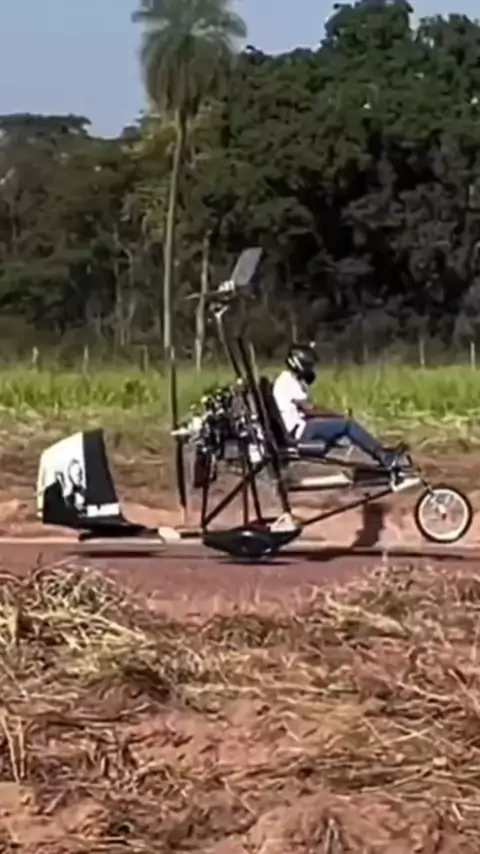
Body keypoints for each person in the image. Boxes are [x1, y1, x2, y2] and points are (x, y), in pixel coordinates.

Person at [272, 344, 405, 470]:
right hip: (300, 432)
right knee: (347, 425)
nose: (311, 370)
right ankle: (385, 457)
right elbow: (310, 409)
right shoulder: (288, 382)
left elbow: (306, 410)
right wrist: (338, 416)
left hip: (297, 428)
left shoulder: (287, 380)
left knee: (339, 425)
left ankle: (381, 452)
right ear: (298, 364)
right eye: (309, 366)